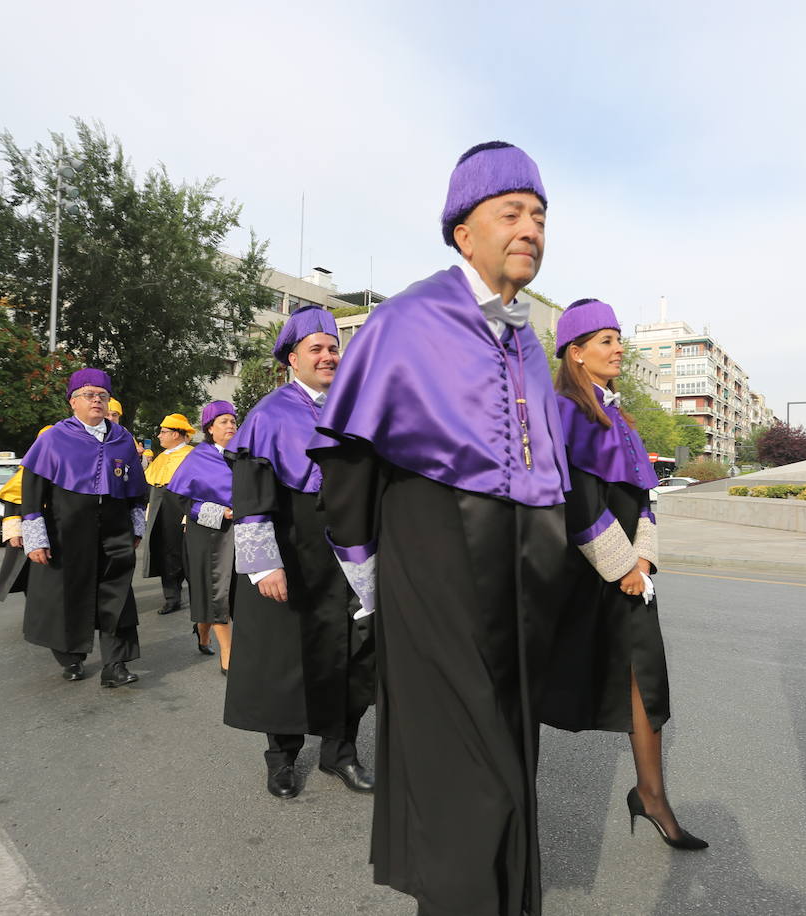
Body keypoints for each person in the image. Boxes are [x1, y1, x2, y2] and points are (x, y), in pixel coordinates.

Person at [310, 141, 570, 915]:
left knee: (510, 756)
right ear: (463, 231)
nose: (531, 229)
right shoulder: (408, 318)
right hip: (435, 560)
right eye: (512, 213)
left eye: (541, 217)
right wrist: (366, 570)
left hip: (519, 576)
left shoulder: (526, 336)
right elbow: (351, 458)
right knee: (464, 769)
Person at [540, 298, 708, 853]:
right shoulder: (564, 413)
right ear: (576, 353)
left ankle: (652, 795)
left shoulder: (621, 417)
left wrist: (644, 560)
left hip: (630, 572)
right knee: (541, 681)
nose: (617, 348)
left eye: (618, 338)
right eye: (606, 340)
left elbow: (645, 498)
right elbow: (580, 500)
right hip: (586, 574)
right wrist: (621, 568)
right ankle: (496, 796)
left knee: (645, 680)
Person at [224, 305, 375, 800]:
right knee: (285, 658)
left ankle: (341, 753)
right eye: (318, 349)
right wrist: (264, 563)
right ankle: (282, 758)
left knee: (351, 657)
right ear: (293, 358)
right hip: (292, 555)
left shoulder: (357, 408)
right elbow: (250, 497)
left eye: (334, 348)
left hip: (351, 559)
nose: (329, 356)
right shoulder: (268, 414)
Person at [19, 368, 147, 687]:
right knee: (67, 593)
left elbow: (136, 489)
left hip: (115, 529)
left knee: (117, 593)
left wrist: (136, 527)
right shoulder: (53, 438)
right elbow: (32, 492)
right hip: (67, 531)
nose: (97, 401)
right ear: (72, 402)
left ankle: (115, 664)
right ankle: (71, 656)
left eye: (102, 396)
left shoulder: (122, 439)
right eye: (89, 395)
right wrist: (34, 538)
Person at [166, 401, 239, 669]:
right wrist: (220, 513)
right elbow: (182, 500)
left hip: (241, 531)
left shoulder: (242, 454)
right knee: (215, 588)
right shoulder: (197, 458)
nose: (230, 425)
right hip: (208, 533)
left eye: (233, 421)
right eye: (224, 421)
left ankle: (203, 628)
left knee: (231, 591)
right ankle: (227, 652)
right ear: (210, 428)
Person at [0, 425, 54, 603]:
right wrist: (14, 530)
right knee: (30, 575)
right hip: (30, 529)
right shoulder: (30, 466)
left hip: (58, 527)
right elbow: (12, 498)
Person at [142, 413, 195, 615]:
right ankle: (171, 597)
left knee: (185, 553)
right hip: (160, 511)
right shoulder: (161, 457)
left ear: (176, 434)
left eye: (164, 432)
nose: (159, 436)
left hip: (180, 510)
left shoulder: (192, 455)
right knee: (163, 552)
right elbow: (151, 485)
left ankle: (199, 596)